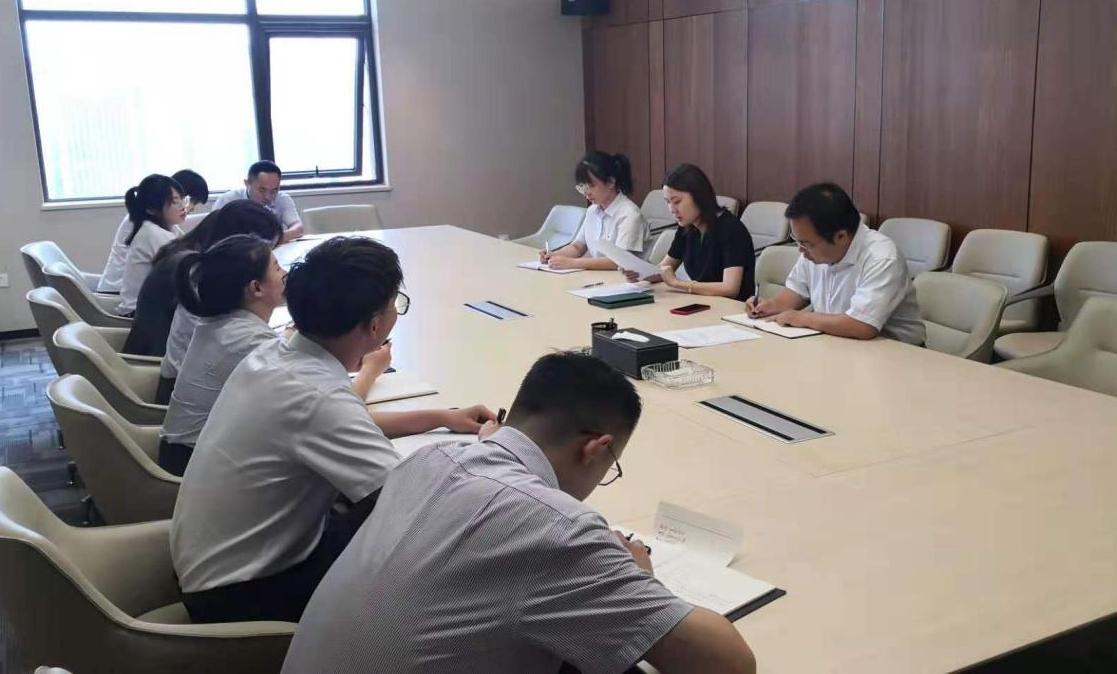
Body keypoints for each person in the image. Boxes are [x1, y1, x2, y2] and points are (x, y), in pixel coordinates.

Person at [282, 352, 756, 674]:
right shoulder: (556, 531)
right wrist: (639, 577)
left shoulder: (429, 459)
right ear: (595, 448)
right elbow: (729, 663)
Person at [170, 236, 498, 624]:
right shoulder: (317, 395)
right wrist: (488, 452)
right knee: (448, 548)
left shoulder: (278, 355)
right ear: (375, 325)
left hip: (217, 561)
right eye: (395, 304)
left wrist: (442, 417)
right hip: (244, 593)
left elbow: (342, 424)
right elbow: (414, 500)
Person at [121, 200, 284, 403]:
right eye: (268, 250)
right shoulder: (203, 282)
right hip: (169, 378)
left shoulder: (199, 264)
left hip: (177, 377)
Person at [156, 234, 289, 475]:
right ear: (256, 288)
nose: (285, 273)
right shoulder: (247, 340)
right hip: (196, 468)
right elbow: (305, 400)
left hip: (186, 452)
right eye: (278, 268)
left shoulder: (221, 323)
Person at [745, 183, 924, 344]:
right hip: (836, 342)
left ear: (841, 237)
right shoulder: (813, 250)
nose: (801, 250)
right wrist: (769, 306)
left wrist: (803, 318)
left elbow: (862, 326)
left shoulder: (882, 258)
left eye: (806, 243)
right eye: (797, 241)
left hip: (896, 353)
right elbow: (795, 293)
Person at [621, 164, 755, 301]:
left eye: (677, 201)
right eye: (668, 202)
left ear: (699, 196)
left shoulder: (731, 229)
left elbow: (730, 289)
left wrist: (677, 283)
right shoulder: (687, 227)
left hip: (732, 308)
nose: (671, 209)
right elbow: (663, 270)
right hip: (704, 303)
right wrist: (639, 274)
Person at [97, 169, 208, 294]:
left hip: (127, 290)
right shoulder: (148, 228)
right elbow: (181, 258)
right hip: (118, 289)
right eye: (177, 201)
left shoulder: (160, 222)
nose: (189, 208)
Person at [539, 152, 649, 270]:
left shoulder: (629, 214)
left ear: (611, 182)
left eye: (590, 186)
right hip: (597, 275)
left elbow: (620, 262)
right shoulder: (592, 211)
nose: (586, 193)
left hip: (623, 278)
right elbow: (577, 247)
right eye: (582, 187)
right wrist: (554, 256)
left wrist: (572, 263)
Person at [114, 174, 188, 316]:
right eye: (174, 202)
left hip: (149, 308)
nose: (183, 207)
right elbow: (185, 267)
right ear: (151, 209)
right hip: (139, 315)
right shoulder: (152, 234)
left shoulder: (169, 228)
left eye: (182, 200)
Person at [211, 160, 304, 242]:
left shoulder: (282, 199)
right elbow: (213, 234)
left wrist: (276, 239)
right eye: (262, 190)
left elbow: (298, 227)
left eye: (274, 191)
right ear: (247, 183)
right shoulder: (227, 200)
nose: (268, 197)